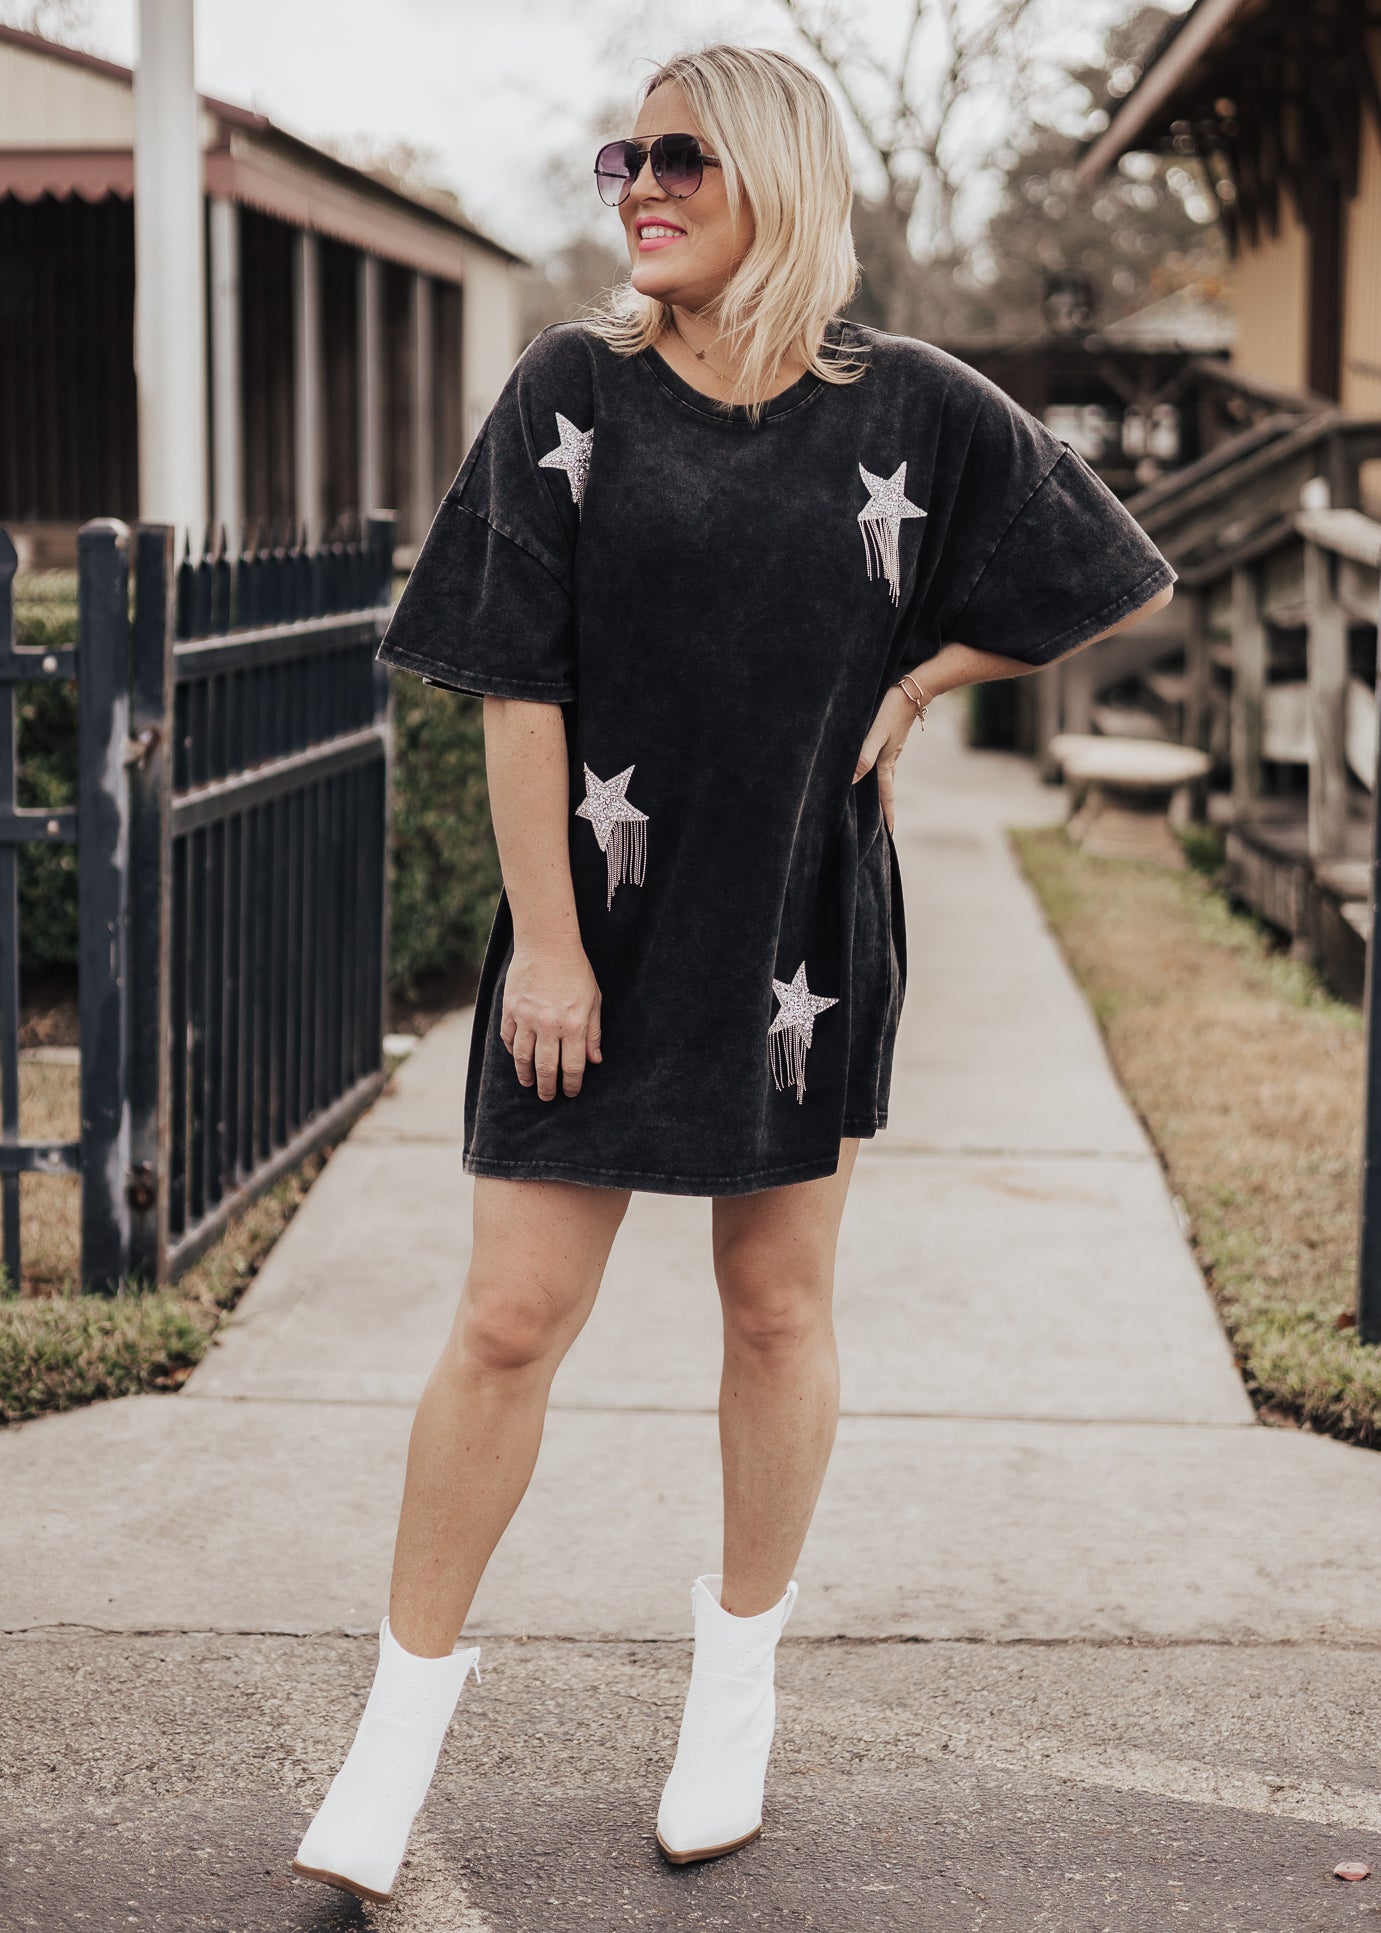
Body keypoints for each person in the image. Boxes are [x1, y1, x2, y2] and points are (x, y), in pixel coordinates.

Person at [291, 41, 1176, 1903]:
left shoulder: (911, 405)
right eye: (625, 159)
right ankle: (395, 1731)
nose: (640, 187)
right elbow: (511, 681)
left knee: (775, 1312)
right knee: (507, 1320)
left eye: (680, 158)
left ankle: (733, 1697)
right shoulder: (572, 388)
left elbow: (1112, 569)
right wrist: (545, 941)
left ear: (776, 171)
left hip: (794, 937)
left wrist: (918, 679)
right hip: (595, 937)